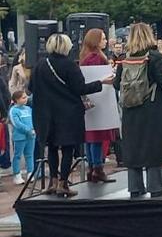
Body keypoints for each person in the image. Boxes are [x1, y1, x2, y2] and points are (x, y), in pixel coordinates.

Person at [29, 34, 114, 197]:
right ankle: (63, 183)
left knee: (52, 147)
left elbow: (31, 88)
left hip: (45, 114)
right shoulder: (69, 65)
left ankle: (52, 182)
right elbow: (80, 88)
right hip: (68, 114)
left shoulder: (39, 65)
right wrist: (101, 82)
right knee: (68, 148)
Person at [115, 23, 162, 198]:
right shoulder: (155, 57)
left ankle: (135, 187)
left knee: (133, 146)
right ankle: (156, 186)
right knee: (153, 145)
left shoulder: (124, 58)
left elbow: (116, 84)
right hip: (152, 107)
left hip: (129, 109)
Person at [79, 28, 117, 184]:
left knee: (90, 136)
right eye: (102, 38)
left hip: (90, 101)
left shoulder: (84, 56)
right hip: (99, 100)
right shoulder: (96, 57)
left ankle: (92, 168)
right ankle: (97, 168)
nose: (106, 41)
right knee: (97, 136)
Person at [9, 90, 34, 185]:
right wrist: (28, 129)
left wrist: (33, 130)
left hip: (31, 135)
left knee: (29, 155)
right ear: (16, 100)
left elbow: (33, 119)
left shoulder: (28, 109)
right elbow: (16, 123)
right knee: (17, 155)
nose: (26, 99)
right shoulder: (13, 110)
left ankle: (30, 173)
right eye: (23, 97)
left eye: (26, 97)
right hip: (20, 137)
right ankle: (17, 174)